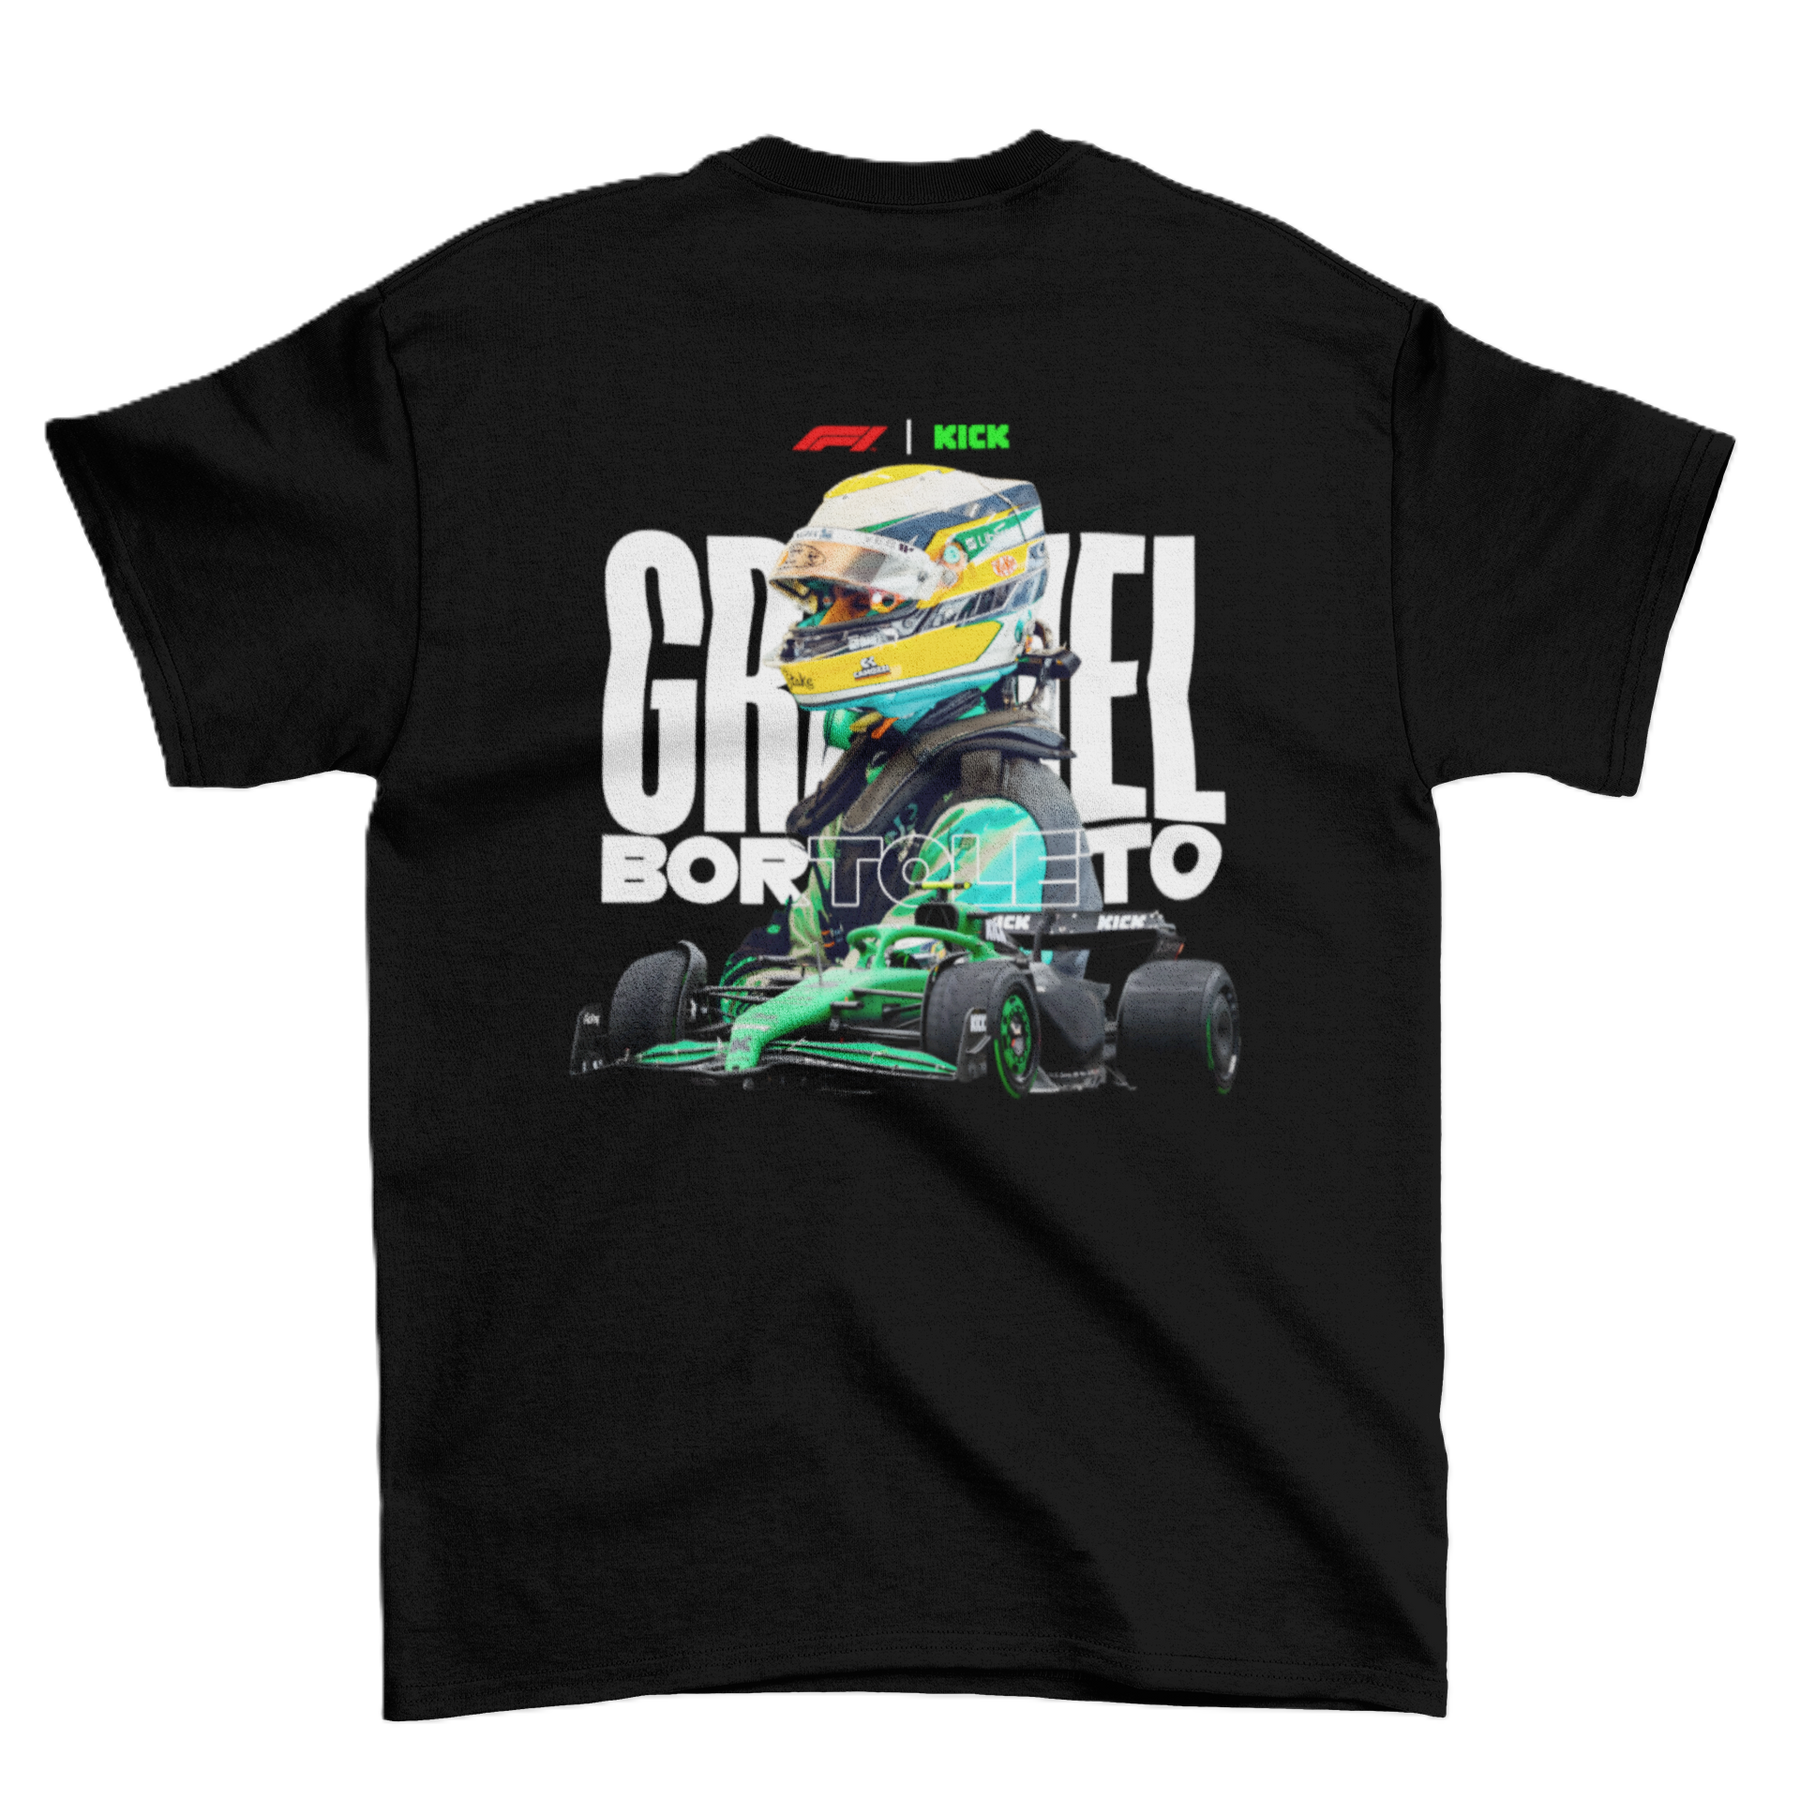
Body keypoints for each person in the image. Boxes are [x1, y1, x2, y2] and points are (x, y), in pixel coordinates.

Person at [725, 464, 1101, 988]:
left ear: (962, 603)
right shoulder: (870, 779)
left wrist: (793, 998)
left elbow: (927, 985)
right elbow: (800, 951)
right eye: (825, 601)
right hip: (856, 1029)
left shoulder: (1000, 810)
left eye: (866, 600)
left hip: (975, 1032)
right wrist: (753, 990)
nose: (822, 624)